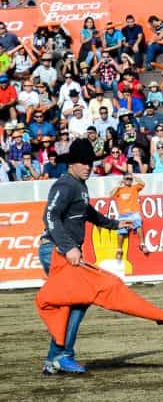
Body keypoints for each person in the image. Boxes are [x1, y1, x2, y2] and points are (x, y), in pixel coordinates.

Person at [38, 138, 133, 374]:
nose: (88, 167)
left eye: (90, 163)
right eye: (83, 163)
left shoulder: (79, 185)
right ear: (71, 164)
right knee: (78, 302)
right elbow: (49, 217)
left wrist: (115, 224)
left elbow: (88, 213)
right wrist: (69, 247)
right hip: (56, 250)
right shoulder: (66, 185)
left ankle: (55, 358)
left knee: (73, 304)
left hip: (60, 250)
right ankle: (61, 356)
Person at [110, 173, 149, 261]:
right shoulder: (119, 189)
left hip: (134, 212)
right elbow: (110, 194)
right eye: (127, 179)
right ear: (123, 180)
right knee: (121, 231)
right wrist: (118, 185)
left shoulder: (134, 187)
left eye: (130, 179)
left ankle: (142, 244)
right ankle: (119, 250)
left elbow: (143, 183)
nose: (128, 180)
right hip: (123, 214)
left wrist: (133, 176)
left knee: (138, 225)